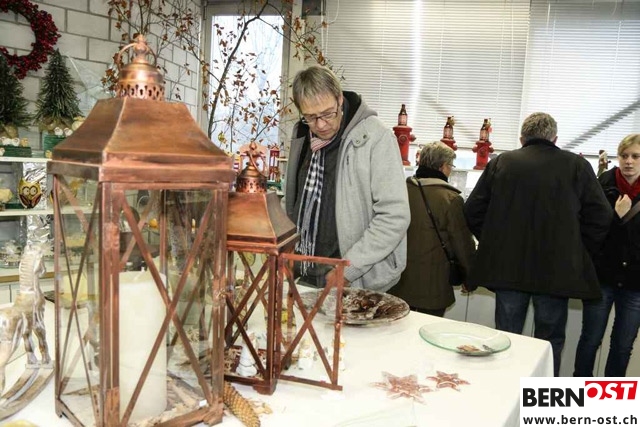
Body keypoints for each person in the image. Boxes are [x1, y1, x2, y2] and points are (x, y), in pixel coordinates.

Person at [463, 112, 612, 376]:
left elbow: (472, 210)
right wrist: (578, 249)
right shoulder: (576, 166)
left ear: (522, 138)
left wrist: (493, 239)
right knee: (549, 343)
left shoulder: (502, 163)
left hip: (507, 268)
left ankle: (504, 392)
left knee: (506, 338)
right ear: (554, 138)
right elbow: (601, 215)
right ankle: (542, 396)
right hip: (557, 271)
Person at [283, 65, 410, 292]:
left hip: (355, 278)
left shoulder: (375, 137)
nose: (320, 125)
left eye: (327, 114)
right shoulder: (301, 135)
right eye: (311, 117)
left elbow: (394, 216)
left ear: (339, 99)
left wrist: (350, 268)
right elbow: (292, 201)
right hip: (303, 273)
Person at [574, 134, 640, 377]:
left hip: (635, 282)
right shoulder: (602, 183)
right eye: (624, 156)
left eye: (636, 156)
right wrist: (616, 217)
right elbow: (588, 229)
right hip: (602, 276)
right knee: (590, 340)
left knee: (622, 346)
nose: (629, 161)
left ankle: (613, 397)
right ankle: (579, 390)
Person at [389, 142, 476, 316]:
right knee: (428, 330)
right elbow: (462, 244)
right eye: (451, 166)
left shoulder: (399, 191)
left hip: (397, 281)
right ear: (443, 167)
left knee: (399, 329)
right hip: (433, 285)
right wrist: (470, 277)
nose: (450, 170)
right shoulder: (450, 199)